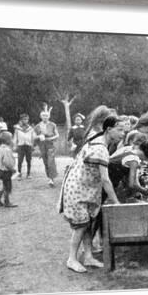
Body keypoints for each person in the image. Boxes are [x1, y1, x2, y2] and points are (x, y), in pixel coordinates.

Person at [58, 116, 124, 273]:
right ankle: (71, 259)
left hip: (86, 189)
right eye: (120, 130)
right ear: (109, 130)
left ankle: (88, 256)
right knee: (80, 226)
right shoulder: (100, 149)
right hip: (79, 190)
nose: (123, 133)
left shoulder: (99, 142)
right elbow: (105, 180)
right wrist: (116, 201)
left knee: (87, 224)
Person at [34, 110, 59, 187]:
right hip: (42, 145)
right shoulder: (37, 126)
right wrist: (39, 137)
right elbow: (34, 136)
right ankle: (49, 177)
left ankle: (51, 179)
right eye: (43, 115)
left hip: (50, 144)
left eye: (46, 115)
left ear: (49, 116)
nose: (45, 117)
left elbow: (57, 135)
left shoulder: (52, 125)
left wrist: (51, 138)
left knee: (50, 161)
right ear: (41, 116)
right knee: (45, 162)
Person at [0, 131, 17, 208]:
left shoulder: (0, 148)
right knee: (7, 187)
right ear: (8, 140)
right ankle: (7, 202)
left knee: (4, 185)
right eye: (11, 139)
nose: (12, 140)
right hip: (6, 171)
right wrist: (12, 169)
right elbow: (7, 162)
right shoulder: (7, 150)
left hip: (1, 170)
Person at [13, 113, 34, 179]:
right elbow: (15, 137)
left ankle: (28, 174)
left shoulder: (30, 128)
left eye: (27, 119)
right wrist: (14, 145)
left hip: (28, 145)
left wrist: (32, 145)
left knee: (29, 160)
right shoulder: (17, 128)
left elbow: (32, 137)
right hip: (21, 145)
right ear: (21, 120)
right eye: (24, 119)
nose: (26, 121)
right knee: (20, 160)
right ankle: (19, 173)